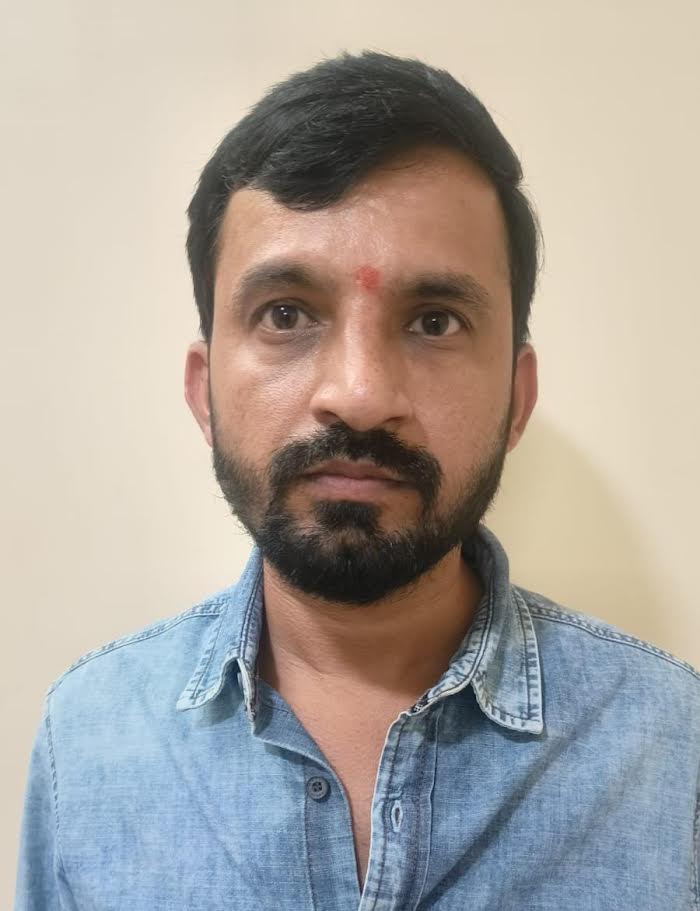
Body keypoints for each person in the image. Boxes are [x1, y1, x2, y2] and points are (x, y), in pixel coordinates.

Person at [14, 49, 700, 911]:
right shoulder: (88, 740)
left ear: (517, 399)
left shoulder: (675, 752)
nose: (361, 393)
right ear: (204, 390)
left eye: (435, 321)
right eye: (286, 314)